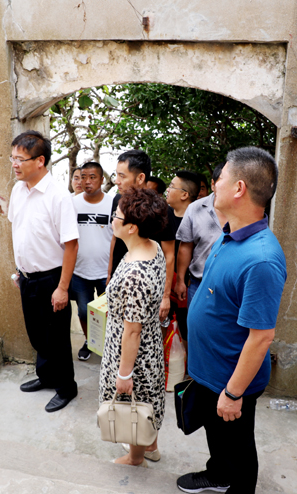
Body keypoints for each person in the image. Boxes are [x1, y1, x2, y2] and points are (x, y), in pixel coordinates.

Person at [178, 147, 286, 494]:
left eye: (220, 178)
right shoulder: (229, 234)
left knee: (238, 447)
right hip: (209, 371)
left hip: (231, 379)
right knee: (217, 434)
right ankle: (218, 474)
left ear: (239, 188)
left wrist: (233, 392)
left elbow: (261, 337)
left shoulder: (261, 259)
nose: (213, 185)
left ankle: (235, 483)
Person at [9, 130, 80, 413]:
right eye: (12, 158)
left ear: (40, 161)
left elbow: (71, 245)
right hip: (27, 278)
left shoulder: (58, 196)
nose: (15, 164)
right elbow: (20, 231)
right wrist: (19, 270)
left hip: (51, 278)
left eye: (20, 159)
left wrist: (62, 288)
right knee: (37, 334)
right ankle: (46, 377)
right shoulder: (18, 190)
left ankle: (66, 387)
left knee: (57, 338)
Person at [99, 188, 168, 467]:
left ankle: (135, 458)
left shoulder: (135, 274)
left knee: (133, 407)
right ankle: (151, 446)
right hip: (150, 341)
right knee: (147, 402)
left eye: (116, 216)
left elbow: (132, 330)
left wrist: (124, 373)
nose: (112, 220)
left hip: (132, 351)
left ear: (131, 227)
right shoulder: (154, 247)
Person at [107, 150, 175, 322]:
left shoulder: (161, 210)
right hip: (120, 277)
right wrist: (110, 275)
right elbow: (114, 239)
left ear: (140, 178)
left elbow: (169, 255)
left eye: (122, 176)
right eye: (116, 175)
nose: (117, 181)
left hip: (146, 286)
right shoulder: (117, 201)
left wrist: (165, 296)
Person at [71, 161, 113, 361]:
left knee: (111, 313)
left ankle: (109, 345)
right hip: (80, 271)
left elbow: (117, 238)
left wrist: (113, 270)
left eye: (92, 177)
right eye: (83, 177)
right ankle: (90, 341)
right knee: (83, 312)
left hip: (107, 271)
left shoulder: (113, 203)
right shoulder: (73, 203)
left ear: (102, 179)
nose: (86, 181)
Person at [174, 162, 227, 311]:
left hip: (231, 287)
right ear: (213, 184)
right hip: (199, 284)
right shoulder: (195, 208)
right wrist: (180, 281)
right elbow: (185, 246)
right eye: (223, 181)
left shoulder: (243, 210)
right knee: (196, 324)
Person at [164, 169, 203, 342]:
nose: (168, 189)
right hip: (165, 284)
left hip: (189, 286)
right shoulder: (162, 215)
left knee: (188, 330)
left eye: (172, 186)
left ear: (184, 195)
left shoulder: (200, 220)